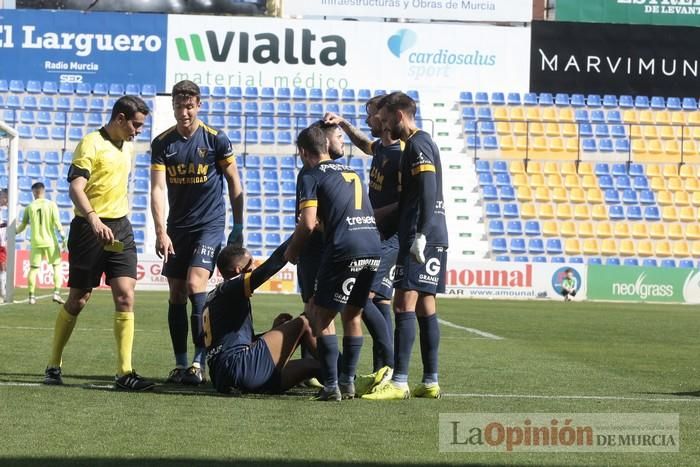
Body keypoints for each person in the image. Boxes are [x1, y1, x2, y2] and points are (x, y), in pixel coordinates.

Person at [43, 95, 155, 391]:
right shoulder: (90, 143)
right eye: (136, 124)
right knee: (79, 299)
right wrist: (93, 219)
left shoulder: (128, 146)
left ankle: (125, 372)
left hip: (120, 226)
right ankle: (53, 365)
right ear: (120, 118)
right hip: (88, 228)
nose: (139, 130)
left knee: (125, 296)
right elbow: (75, 187)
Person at [151, 80, 244, 386]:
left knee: (194, 284)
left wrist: (239, 226)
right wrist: (161, 231)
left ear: (199, 105)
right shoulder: (163, 143)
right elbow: (158, 188)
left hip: (210, 224)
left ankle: (199, 361)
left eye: (190, 106)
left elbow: (234, 183)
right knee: (176, 293)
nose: (184, 112)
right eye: (179, 106)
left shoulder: (216, 140)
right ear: (173, 106)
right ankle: (180, 364)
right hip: (177, 228)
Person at [284, 125, 382, 401]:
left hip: (344, 247)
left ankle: (331, 386)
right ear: (327, 147)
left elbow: (307, 222)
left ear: (303, 152)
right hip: (372, 245)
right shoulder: (351, 172)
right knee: (353, 314)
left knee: (320, 315)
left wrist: (293, 251)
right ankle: (348, 381)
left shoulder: (310, 175)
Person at [364, 92, 448, 400]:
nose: (384, 124)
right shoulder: (419, 143)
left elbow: (428, 189)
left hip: (420, 235)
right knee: (426, 304)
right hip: (433, 234)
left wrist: (420, 234)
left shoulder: (417, 144)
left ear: (400, 116)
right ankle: (430, 380)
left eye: (386, 119)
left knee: (402, 305)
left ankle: (399, 382)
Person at [324, 95, 402, 376]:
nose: (368, 119)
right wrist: (343, 123)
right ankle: (382, 370)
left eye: (371, 114)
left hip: (390, 235)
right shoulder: (382, 148)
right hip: (376, 234)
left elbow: (409, 200)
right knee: (379, 300)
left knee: (361, 296)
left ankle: (392, 368)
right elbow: (364, 144)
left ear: (384, 116)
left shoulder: (401, 153)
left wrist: (374, 214)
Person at [206, 238, 320, 394]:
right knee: (306, 321)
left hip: (223, 378)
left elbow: (232, 343)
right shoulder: (233, 287)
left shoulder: (214, 297)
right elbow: (272, 264)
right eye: (250, 263)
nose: (253, 266)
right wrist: (300, 233)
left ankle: (338, 380)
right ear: (239, 270)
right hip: (241, 366)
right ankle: (346, 378)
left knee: (312, 366)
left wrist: (273, 331)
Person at [15, 182, 66, 305]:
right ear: (43, 191)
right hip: (50, 242)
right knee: (56, 266)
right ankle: (56, 293)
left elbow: (22, 226)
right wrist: (64, 238)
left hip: (36, 242)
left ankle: (32, 296)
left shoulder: (30, 207)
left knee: (33, 269)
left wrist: (13, 233)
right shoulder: (51, 204)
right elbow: (57, 223)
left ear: (34, 192)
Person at [0, 189, 7, 302]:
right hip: (1, 242)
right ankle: (2, 291)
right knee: (3, 266)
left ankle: (2, 291)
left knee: (3, 266)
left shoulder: (8, 210)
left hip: (3, 242)